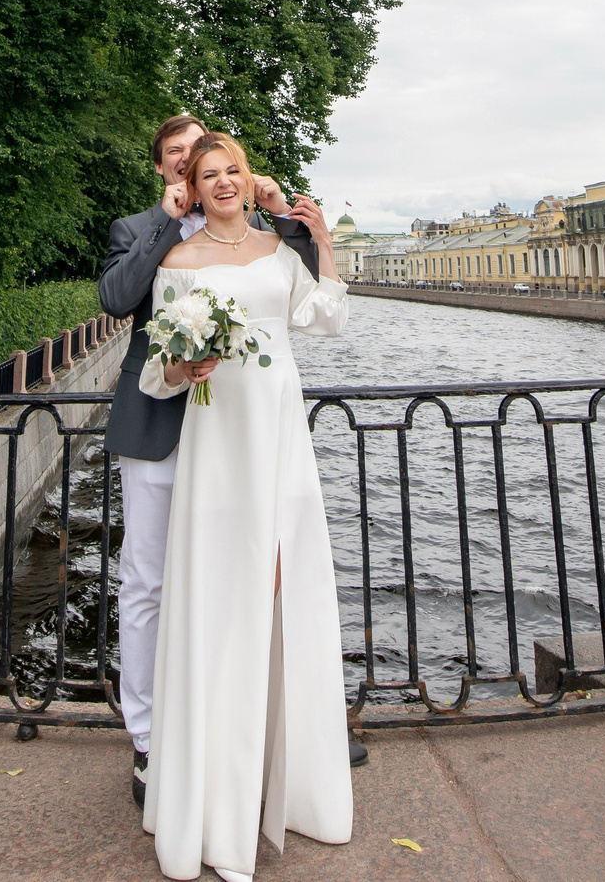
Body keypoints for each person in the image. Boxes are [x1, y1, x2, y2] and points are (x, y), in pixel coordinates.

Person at [138, 132, 352, 882]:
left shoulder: (278, 252)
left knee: (282, 596)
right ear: (191, 187)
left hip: (281, 443)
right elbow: (155, 380)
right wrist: (177, 363)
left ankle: (287, 787)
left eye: (233, 169)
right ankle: (212, 801)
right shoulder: (175, 263)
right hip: (216, 447)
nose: (223, 181)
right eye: (209, 173)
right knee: (221, 603)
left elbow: (325, 317)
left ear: (248, 177)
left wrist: (319, 236)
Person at [98, 115, 319, 807]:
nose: (196, 164)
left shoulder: (249, 222)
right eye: (180, 157)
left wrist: (282, 209)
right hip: (161, 421)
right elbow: (114, 298)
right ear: (167, 171)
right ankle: (148, 735)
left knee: (247, 571)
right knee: (148, 582)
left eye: (204, 152)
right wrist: (167, 224)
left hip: (236, 430)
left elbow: (304, 289)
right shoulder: (139, 229)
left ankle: (273, 726)